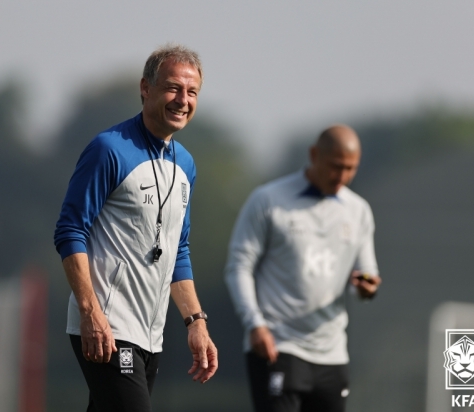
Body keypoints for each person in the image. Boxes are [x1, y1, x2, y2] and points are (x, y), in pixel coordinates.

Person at [54, 44, 218, 412]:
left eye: (192, 92)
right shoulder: (108, 149)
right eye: (173, 88)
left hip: (151, 335)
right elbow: (69, 231)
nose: (183, 100)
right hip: (108, 327)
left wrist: (196, 322)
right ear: (146, 88)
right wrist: (90, 311)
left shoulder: (186, 164)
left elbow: (179, 249)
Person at [224, 125, 381, 412]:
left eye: (351, 168)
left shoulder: (358, 210)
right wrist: (254, 324)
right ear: (314, 155)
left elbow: (366, 273)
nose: (342, 176)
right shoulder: (268, 200)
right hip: (277, 345)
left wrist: (366, 287)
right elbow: (238, 267)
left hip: (332, 352)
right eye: (336, 166)